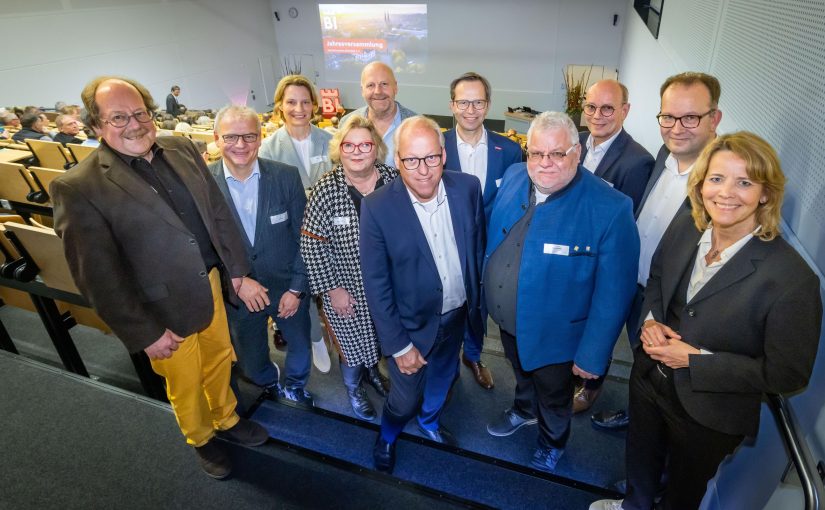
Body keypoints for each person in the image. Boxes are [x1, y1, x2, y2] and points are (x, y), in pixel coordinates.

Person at [590, 132, 823, 510]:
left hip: (710, 411)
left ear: (766, 193)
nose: (726, 193)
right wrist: (649, 320)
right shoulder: (687, 226)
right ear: (701, 186)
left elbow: (788, 374)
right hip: (648, 380)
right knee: (640, 466)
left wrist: (694, 360)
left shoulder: (792, 279)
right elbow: (658, 280)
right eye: (716, 179)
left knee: (681, 494)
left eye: (744, 182)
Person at [50, 77, 268, 480]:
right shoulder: (78, 187)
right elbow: (98, 276)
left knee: (221, 359)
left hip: (211, 286)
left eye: (139, 113)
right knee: (184, 383)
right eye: (118, 117)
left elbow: (217, 213)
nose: (134, 124)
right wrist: (144, 332)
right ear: (96, 126)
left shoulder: (181, 148)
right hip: (160, 309)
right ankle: (201, 438)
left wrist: (237, 272)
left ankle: (227, 418)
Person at [484, 111, 638, 472]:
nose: (546, 163)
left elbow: (614, 294)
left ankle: (553, 440)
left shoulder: (611, 208)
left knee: (554, 395)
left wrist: (593, 355)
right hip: (507, 321)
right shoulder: (513, 176)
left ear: (578, 152)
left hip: (559, 337)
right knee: (520, 371)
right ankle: (523, 410)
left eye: (558, 153)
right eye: (537, 153)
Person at [592, 72, 724, 431]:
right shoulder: (664, 154)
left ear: (715, 119)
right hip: (631, 282)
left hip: (669, 303)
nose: (677, 128)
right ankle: (637, 414)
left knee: (663, 378)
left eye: (690, 118)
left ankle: (652, 448)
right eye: (668, 117)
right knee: (639, 361)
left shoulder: (720, 182)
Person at [361, 115, 485, 473]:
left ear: (443, 155)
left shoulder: (468, 188)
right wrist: (398, 346)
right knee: (404, 397)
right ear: (397, 161)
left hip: (457, 314)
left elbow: (476, 249)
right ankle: (387, 435)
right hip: (410, 326)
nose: (423, 170)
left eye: (431, 157)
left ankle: (430, 422)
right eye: (411, 160)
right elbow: (376, 283)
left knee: (443, 376)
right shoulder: (377, 206)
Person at [208, 104, 315, 407]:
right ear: (217, 138)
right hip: (239, 293)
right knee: (251, 359)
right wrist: (238, 280)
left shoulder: (285, 176)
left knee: (299, 345)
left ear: (260, 137)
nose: (240, 145)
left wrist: (297, 287)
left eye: (249, 136)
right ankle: (268, 379)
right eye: (231, 137)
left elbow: (305, 238)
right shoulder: (203, 184)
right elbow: (203, 246)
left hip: (288, 287)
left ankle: (295, 385)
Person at [301, 114, 397, 420]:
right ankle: (354, 387)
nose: (357, 151)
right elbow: (312, 245)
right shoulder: (326, 190)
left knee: (381, 337)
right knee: (352, 343)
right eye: (349, 145)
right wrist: (332, 289)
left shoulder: (393, 180)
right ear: (338, 149)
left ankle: (373, 374)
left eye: (365, 144)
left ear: (376, 148)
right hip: (346, 288)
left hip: (389, 286)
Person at [572, 79, 654, 414]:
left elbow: (623, 228)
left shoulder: (637, 162)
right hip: (570, 258)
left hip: (601, 264)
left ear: (625, 111)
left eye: (607, 108)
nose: (598, 115)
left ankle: (590, 387)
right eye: (591, 107)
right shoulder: (575, 143)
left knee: (600, 324)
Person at [443, 71, 523, 390]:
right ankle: (446, 360)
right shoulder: (438, 146)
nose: (470, 109)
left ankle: (473, 355)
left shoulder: (511, 151)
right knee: (449, 304)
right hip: (446, 245)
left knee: (481, 305)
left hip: (492, 249)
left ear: (488, 105)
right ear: (452, 105)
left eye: (478, 102)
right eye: (464, 102)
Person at [259, 74, 334, 374]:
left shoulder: (330, 140)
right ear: (279, 106)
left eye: (305, 102)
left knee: (334, 287)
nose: (299, 108)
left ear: (314, 106)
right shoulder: (267, 149)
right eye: (291, 102)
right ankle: (315, 337)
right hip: (293, 233)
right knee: (301, 288)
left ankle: (340, 335)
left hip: (330, 230)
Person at [340, 61, 417, 166]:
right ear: (362, 91)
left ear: (395, 87)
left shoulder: (417, 124)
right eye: (370, 85)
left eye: (384, 84)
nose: (378, 91)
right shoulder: (346, 123)